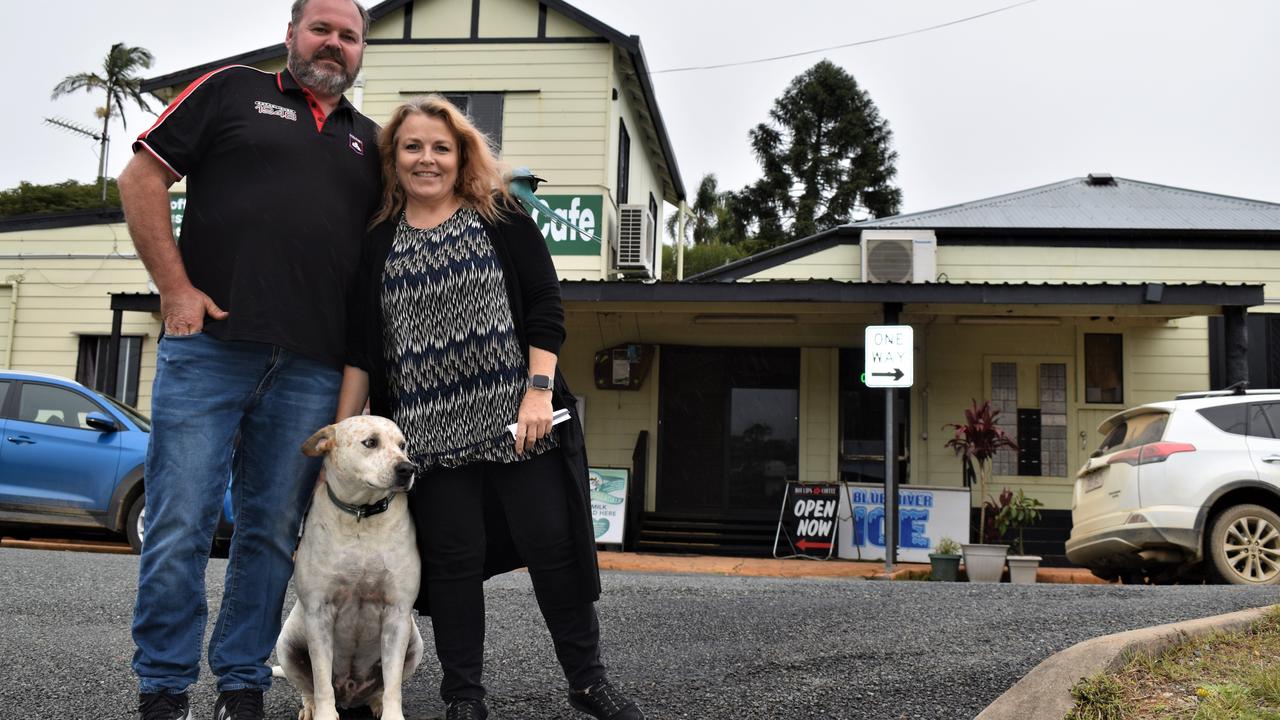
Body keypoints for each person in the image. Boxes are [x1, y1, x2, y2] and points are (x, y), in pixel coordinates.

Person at [338, 95, 645, 720]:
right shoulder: (377, 242)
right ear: (393, 159)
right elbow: (363, 352)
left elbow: (544, 306)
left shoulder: (498, 215)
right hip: (427, 441)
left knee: (554, 549)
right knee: (452, 568)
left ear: (461, 155)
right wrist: (343, 437)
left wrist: (538, 392)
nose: (427, 159)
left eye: (440, 148)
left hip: (520, 426)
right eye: (412, 147)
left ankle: (588, 681)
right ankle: (464, 697)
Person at [116, 1, 380, 718]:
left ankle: (241, 683)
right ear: (290, 34)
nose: (334, 44)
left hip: (315, 369)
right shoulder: (232, 90)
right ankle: (164, 687)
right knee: (180, 522)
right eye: (321, 29)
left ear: (362, 52)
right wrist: (176, 290)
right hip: (210, 353)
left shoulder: (373, 145)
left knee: (270, 532)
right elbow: (140, 180)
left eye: (349, 36)